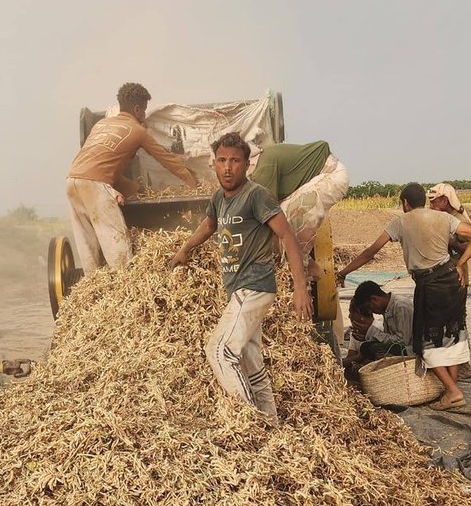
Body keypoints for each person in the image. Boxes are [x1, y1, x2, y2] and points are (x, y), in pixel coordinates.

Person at [169, 132, 313, 423]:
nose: (227, 167)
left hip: (254, 285)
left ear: (247, 164)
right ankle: (271, 422)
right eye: (221, 160)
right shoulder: (219, 200)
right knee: (251, 361)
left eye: (235, 160)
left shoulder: (255, 195)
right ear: (214, 164)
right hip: (237, 290)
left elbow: (286, 235)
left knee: (219, 351)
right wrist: (184, 249)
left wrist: (300, 287)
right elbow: (208, 226)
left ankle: (248, 423)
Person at [336, 183, 471, 410]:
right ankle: (449, 389)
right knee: (452, 335)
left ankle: (453, 393)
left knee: (426, 342)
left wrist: (344, 272)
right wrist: (460, 264)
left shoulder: (400, 222)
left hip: (430, 285)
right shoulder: (442, 218)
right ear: (423, 201)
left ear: (405, 203)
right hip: (453, 282)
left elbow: (370, 252)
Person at [65, 82, 198, 274]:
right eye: (144, 111)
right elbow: (165, 158)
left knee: (88, 247)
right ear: (137, 109)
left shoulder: (100, 125)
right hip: (95, 186)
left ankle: (93, 289)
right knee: (118, 248)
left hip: (72, 181)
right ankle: (123, 285)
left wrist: (135, 190)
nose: (144, 116)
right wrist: (191, 181)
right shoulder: (136, 130)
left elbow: (105, 167)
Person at [250, 141, 350, 262]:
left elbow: (267, 215)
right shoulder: (255, 164)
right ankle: (306, 267)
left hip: (331, 174)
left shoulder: (262, 169)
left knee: (294, 217)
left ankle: (301, 270)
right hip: (314, 179)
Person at [427, 182, 471, 379]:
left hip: (456, 279)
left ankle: (462, 365)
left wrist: (453, 245)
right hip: (444, 278)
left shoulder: (458, 221)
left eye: (433, 202)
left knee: (456, 323)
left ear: (444, 200)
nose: (430, 206)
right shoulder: (443, 218)